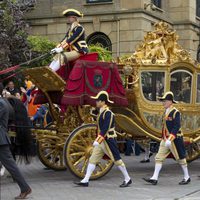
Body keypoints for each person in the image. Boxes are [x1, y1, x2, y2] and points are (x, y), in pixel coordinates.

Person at [74, 91, 132, 187]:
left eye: (98, 100)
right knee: (93, 159)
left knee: (117, 159)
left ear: (103, 102)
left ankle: (127, 178)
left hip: (109, 139)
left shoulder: (108, 113)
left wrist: (98, 140)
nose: (96, 102)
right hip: (102, 140)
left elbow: (106, 128)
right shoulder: (102, 112)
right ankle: (85, 179)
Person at [143, 91, 190, 185]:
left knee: (180, 158)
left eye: (165, 101)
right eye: (163, 101)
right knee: (158, 157)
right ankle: (154, 178)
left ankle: (187, 176)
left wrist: (170, 138)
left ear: (170, 102)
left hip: (174, 139)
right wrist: (164, 138)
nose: (163, 103)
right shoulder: (166, 111)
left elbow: (176, 126)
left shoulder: (175, 112)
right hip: (165, 139)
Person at [0, 83, 32, 199]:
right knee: (10, 165)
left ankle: (25, 188)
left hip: (1, 140)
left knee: (11, 166)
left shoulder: (1, 104)